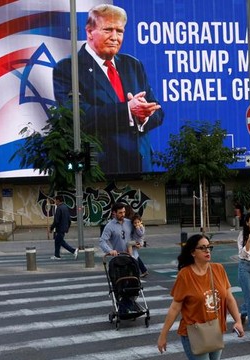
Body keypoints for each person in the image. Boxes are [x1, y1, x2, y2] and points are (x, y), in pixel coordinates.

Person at [52, 4, 164, 175]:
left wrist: (143, 116)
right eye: (108, 30)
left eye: (119, 31)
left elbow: (157, 111)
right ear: (89, 32)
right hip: (100, 170)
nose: (114, 37)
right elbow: (78, 117)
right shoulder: (68, 67)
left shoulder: (133, 65)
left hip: (141, 167)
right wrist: (128, 110)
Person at [50, 195, 79, 260]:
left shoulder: (59, 208)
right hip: (64, 228)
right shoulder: (65, 207)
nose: (55, 202)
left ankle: (73, 251)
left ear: (58, 200)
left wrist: (51, 228)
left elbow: (56, 220)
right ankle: (56, 255)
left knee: (60, 241)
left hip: (60, 228)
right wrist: (67, 227)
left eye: (55, 200)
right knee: (57, 241)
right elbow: (69, 219)